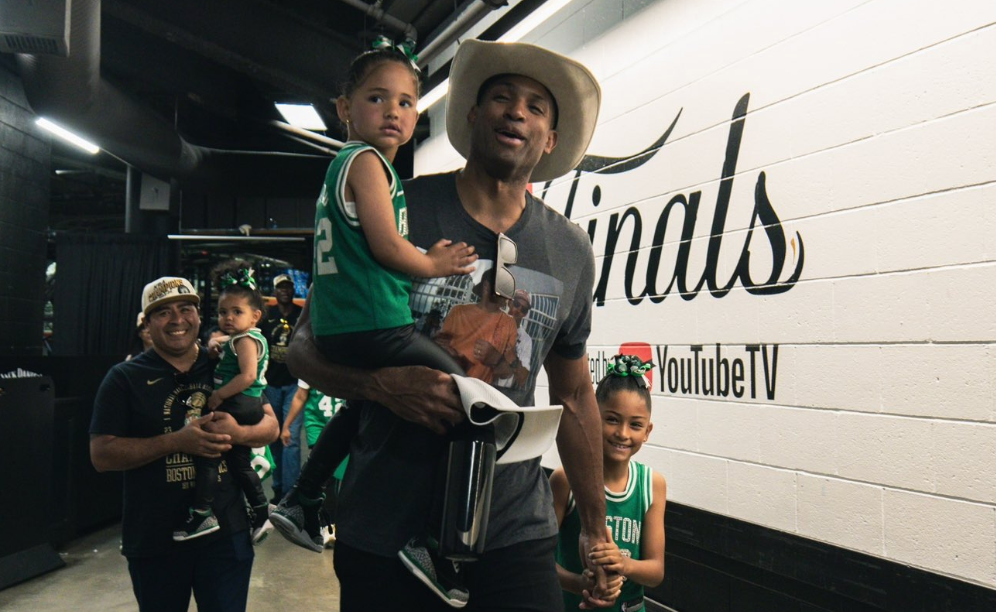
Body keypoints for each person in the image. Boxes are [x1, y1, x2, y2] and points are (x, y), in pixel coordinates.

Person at [287, 39, 619, 611]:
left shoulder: (570, 249)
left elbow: (574, 393)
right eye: (501, 98)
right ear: (471, 116)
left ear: (551, 139)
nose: (517, 112)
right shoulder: (395, 207)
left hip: (514, 531)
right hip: (386, 528)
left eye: (537, 107)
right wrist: (376, 387)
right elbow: (302, 348)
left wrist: (595, 526)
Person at [270, 39, 478, 605]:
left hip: (345, 326)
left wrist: (420, 267)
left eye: (408, 102)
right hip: (374, 323)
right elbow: (387, 248)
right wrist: (432, 263)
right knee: (463, 401)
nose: (394, 111)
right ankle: (422, 536)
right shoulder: (365, 162)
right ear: (344, 109)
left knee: (369, 403)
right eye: (377, 98)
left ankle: (302, 496)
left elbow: (367, 250)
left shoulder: (345, 169)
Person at [90, 276, 279, 612]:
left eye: (185, 309)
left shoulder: (224, 361)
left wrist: (238, 434)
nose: (177, 320)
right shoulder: (123, 377)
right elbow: (102, 455)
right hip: (155, 537)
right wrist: (177, 441)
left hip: (227, 533)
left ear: (197, 315)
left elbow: (270, 426)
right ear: (147, 324)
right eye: (163, 312)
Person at [552, 355, 667, 611]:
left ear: (647, 431)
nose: (623, 433)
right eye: (612, 419)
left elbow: (656, 571)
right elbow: (539, 561)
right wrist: (579, 583)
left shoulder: (652, 485)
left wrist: (623, 564)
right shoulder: (565, 480)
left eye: (635, 425)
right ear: (593, 418)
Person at [173, 261, 273, 544]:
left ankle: (202, 511)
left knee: (208, 456)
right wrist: (219, 346)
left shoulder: (245, 341)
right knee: (241, 464)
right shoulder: (243, 337)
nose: (228, 317)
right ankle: (261, 510)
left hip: (238, 403)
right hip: (248, 405)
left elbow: (248, 375)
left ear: (255, 316)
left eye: (236, 312)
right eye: (222, 312)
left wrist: (219, 395)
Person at [280, 379, 347, 548]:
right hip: (317, 424)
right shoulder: (312, 361)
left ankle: (338, 522)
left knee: (342, 476)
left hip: (344, 424)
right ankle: (326, 525)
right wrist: (287, 425)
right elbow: (300, 396)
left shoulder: (350, 361)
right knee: (325, 474)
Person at [259, 273, 304, 502]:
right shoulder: (267, 315)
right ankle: (278, 488)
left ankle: (290, 493)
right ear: (275, 292)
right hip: (271, 385)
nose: (284, 291)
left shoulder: (301, 314)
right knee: (274, 436)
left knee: (291, 439)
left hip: (295, 383)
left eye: (288, 287)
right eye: (280, 287)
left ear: (292, 290)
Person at [434, 274, 518, 384]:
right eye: (504, 288)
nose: (508, 296)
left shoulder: (509, 323)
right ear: (487, 286)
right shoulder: (458, 312)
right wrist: (452, 355)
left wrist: (496, 359)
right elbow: (440, 349)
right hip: (448, 385)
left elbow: (508, 373)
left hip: (478, 394)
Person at [494, 289, 532, 389]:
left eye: (524, 309)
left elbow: (523, 378)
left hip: (503, 393)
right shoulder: (494, 322)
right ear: (510, 302)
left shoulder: (525, 340)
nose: (519, 310)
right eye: (516, 304)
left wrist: (513, 359)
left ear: (525, 314)